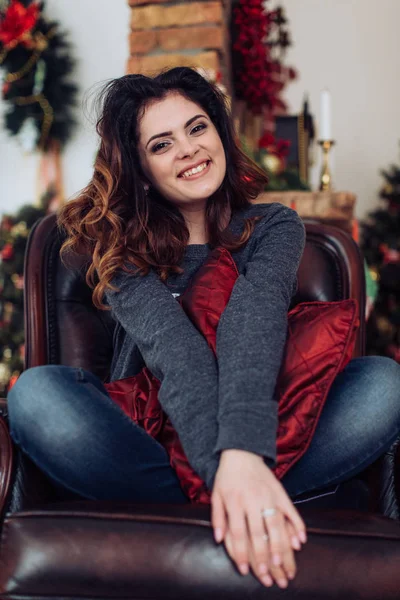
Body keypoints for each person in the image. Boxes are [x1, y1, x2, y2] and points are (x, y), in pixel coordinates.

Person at [7, 67, 400, 591]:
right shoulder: (121, 248)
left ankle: (233, 493)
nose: (189, 150)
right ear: (143, 170)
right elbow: (176, 352)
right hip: (155, 444)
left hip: (270, 433)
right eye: (162, 143)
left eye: (197, 128)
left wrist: (243, 453)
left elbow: (251, 328)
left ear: (218, 131)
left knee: (383, 383)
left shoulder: (272, 227)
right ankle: (250, 501)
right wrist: (231, 473)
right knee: (37, 394)